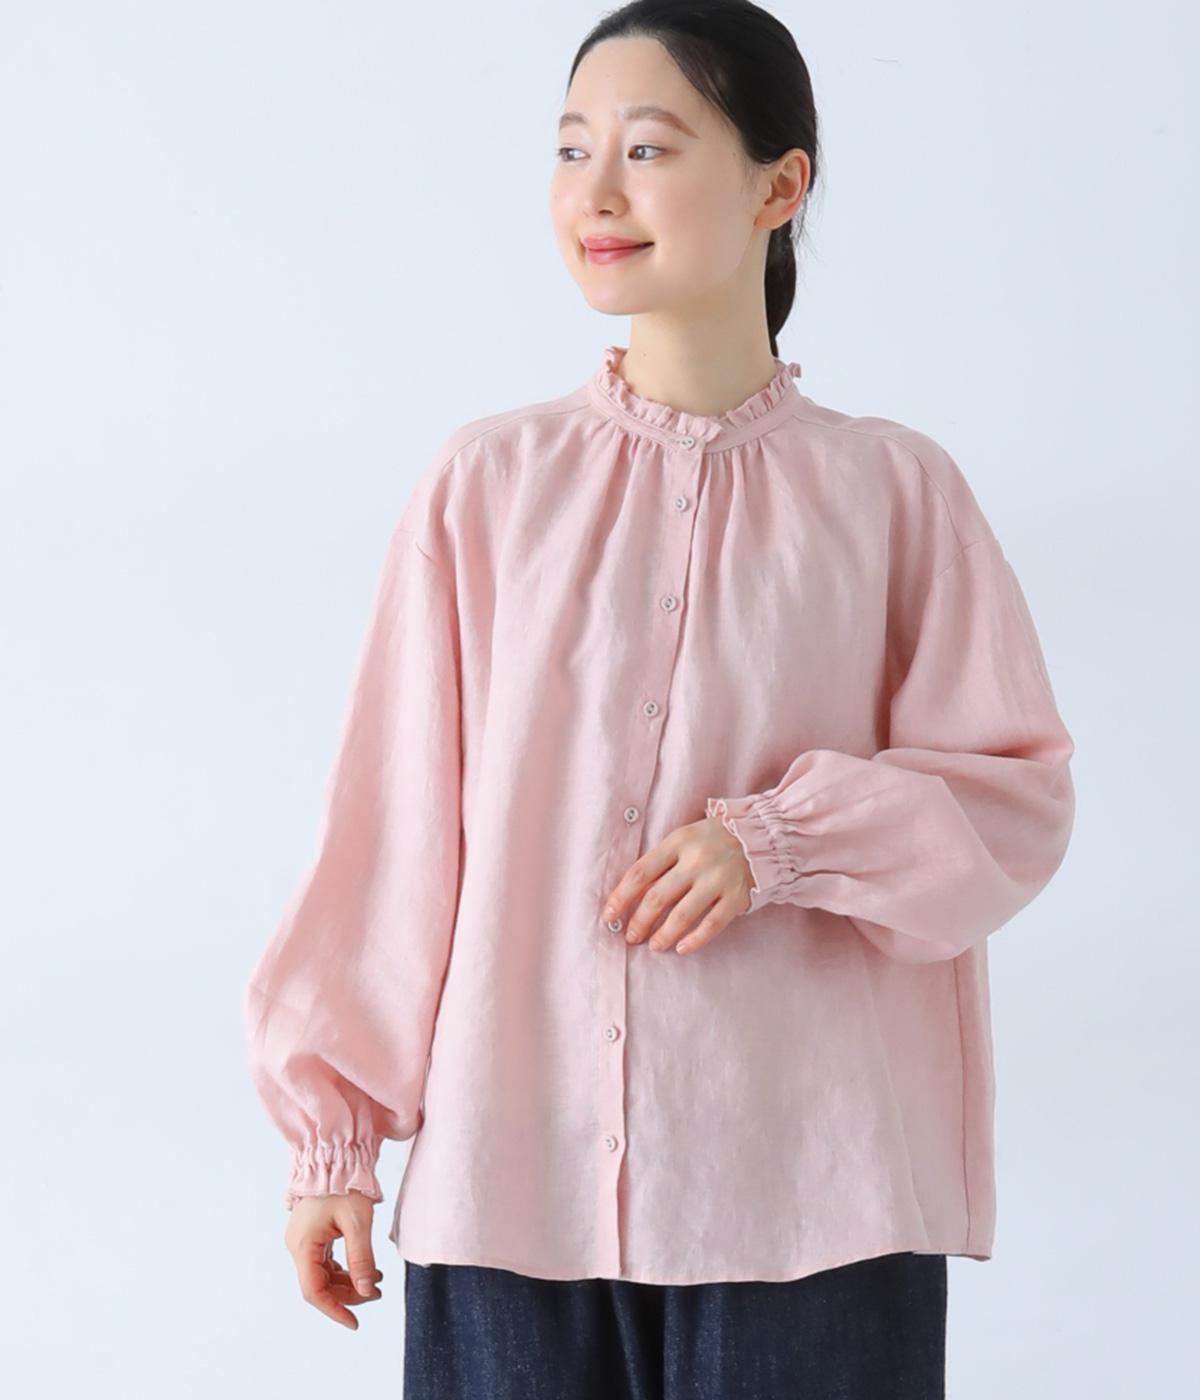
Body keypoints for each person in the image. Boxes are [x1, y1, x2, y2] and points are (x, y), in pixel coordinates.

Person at [242, 2, 1077, 1396]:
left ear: (779, 185)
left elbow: (1014, 797)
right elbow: (393, 835)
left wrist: (780, 843)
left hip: (816, 1197)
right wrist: (334, 1141)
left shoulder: (893, 492)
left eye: (646, 147)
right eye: (572, 149)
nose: (596, 192)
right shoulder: (486, 487)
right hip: (514, 1184)